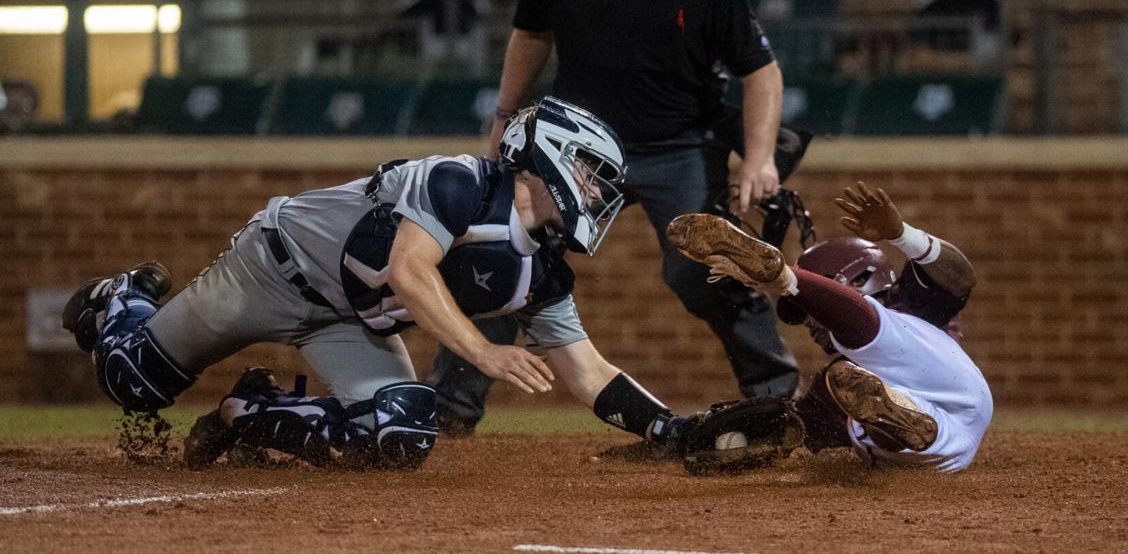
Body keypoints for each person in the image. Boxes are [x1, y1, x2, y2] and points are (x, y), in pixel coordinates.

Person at [61, 97, 693, 468]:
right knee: (132, 381)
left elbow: (588, 370)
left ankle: (249, 409)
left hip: (348, 322)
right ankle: (122, 301)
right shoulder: (459, 180)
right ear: (550, 153)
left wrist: (668, 428)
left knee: (402, 432)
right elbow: (409, 270)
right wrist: (482, 351)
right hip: (272, 269)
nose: (598, 192)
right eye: (590, 173)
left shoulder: (543, 268)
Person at [431, 0, 799, 435]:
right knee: (502, 248)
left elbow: (761, 69)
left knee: (705, 267)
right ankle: (448, 413)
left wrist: (757, 158)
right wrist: (504, 115)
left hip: (677, 145)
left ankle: (780, 402)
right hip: (572, 151)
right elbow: (531, 34)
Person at [668, 181, 993, 472]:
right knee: (853, 410)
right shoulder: (839, 383)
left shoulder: (915, 303)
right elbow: (797, 433)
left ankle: (786, 278)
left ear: (860, 279)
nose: (808, 322)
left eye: (807, 311)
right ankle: (899, 413)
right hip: (941, 450)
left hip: (950, 384)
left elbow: (961, 276)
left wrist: (903, 236)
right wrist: (720, 432)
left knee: (879, 332)